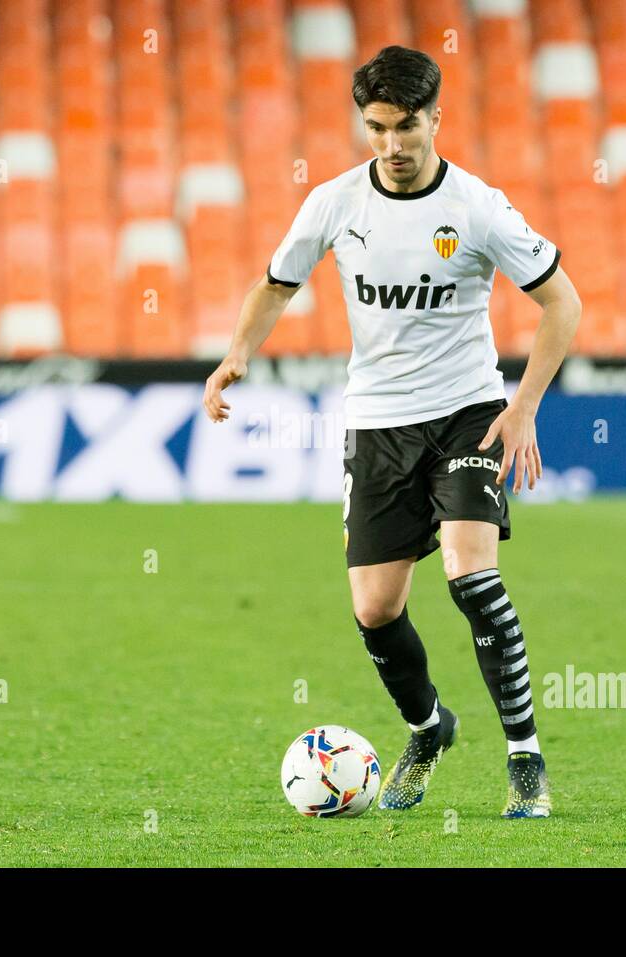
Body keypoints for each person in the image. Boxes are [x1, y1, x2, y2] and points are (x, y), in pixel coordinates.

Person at [202, 45, 581, 818]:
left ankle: (526, 759)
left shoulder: (476, 206)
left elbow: (562, 303)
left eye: (406, 125)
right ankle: (429, 726)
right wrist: (238, 348)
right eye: (376, 127)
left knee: (470, 576)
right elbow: (276, 285)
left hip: (470, 411)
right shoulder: (336, 203)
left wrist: (525, 406)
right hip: (377, 423)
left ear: (435, 119)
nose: (392, 144)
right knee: (374, 608)